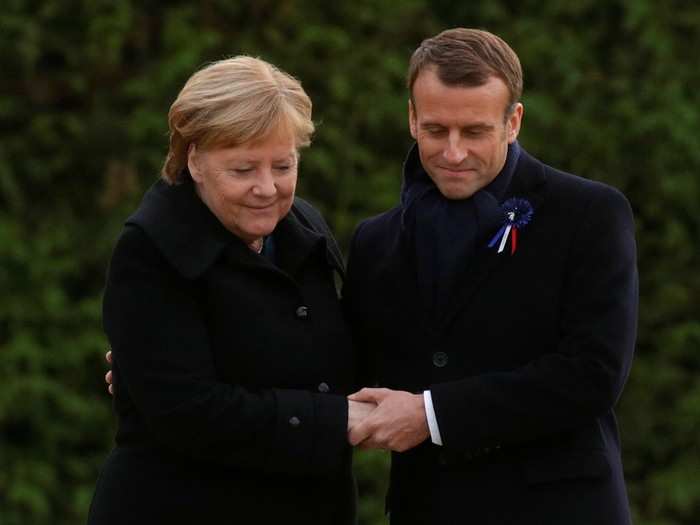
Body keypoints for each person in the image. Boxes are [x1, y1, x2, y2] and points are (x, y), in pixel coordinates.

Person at [344, 28, 638, 524]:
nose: (453, 153)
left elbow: (593, 374)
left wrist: (431, 415)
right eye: (436, 130)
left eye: (474, 131)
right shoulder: (374, 241)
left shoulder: (590, 213)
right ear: (412, 117)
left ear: (513, 121)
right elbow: (350, 372)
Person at [88, 56, 374, 525]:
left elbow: (328, 355)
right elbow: (191, 414)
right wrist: (339, 419)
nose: (267, 188)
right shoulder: (150, 251)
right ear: (194, 159)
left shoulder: (303, 225)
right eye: (243, 170)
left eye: (283, 165)